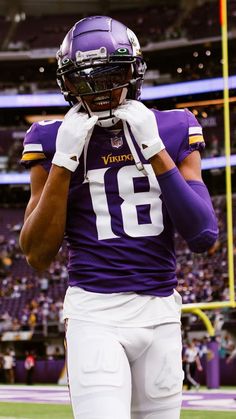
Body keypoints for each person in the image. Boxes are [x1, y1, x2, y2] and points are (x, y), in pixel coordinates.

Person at [19, 15, 218, 419]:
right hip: (95, 312)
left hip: (161, 312)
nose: (101, 90)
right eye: (86, 79)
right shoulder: (50, 137)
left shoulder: (174, 126)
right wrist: (64, 161)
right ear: (68, 83)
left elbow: (204, 234)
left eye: (111, 74)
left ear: (133, 70)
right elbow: (37, 254)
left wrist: (154, 148)